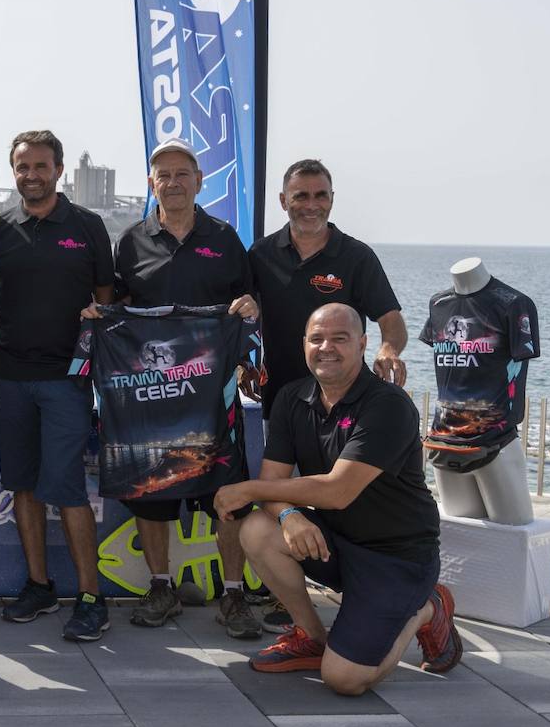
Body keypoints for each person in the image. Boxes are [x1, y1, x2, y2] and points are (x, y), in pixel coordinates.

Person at [213, 303, 459, 694]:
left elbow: (337, 491)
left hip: (396, 557)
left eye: (340, 338)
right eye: (317, 339)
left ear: (362, 344)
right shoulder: (292, 397)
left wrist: (248, 490)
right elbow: (274, 480)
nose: (326, 347)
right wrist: (290, 515)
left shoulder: (388, 406)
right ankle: (312, 637)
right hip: (337, 544)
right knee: (258, 528)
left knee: (344, 680)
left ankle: (427, 608)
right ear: (303, 345)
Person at [100, 137, 261, 638]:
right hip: (150, 395)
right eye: (162, 175)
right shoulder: (130, 241)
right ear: (151, 184)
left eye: (181, 174)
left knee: (226, 492)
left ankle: (234, 595)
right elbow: (117, 309)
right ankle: (161, 585)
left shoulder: (225, 238)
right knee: (150, 490)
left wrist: (250, 311)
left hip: (212, 395)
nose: (172, 183)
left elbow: (248, 299)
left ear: (198, 181)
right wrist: (98, 318)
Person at [0, 130, 114, 641]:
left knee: (65, 489)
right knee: (22, 484)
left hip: (67, 378)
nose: (32, 175)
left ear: (60, 170)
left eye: (41, 166)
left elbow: (106, 299)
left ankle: (91, 596)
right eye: (23, 167)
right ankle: (38, 586)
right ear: (14, 170)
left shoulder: (87, 226)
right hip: (10, 374)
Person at [249, 158, 405, 410]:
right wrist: (242, 361)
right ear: (283, 200)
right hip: (279, 399)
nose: (311, 205)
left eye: (320, 196)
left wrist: (389, 349)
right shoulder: (260, 254)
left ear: (331, 199)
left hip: (346, 401)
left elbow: (392, 321)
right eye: (301, 196)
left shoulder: (357, 257)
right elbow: (242, 316)